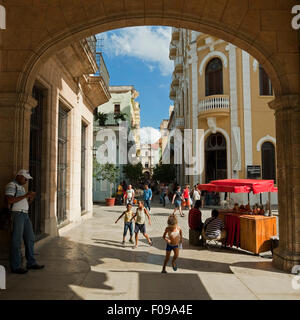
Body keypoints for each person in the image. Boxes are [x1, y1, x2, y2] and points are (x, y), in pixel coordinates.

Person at [4, 169, 44, 274]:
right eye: (25, 178)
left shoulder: (21, 187)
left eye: (27, 179)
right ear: (19, 176)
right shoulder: (12, 185)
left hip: (24, 215)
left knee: (30, 238)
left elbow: (22, 202)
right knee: (16, 241)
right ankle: (16, 266)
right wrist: (26, 195)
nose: (26, 181)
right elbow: (9, 200)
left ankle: (31, 262)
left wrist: (30, 198)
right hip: (17, 215)